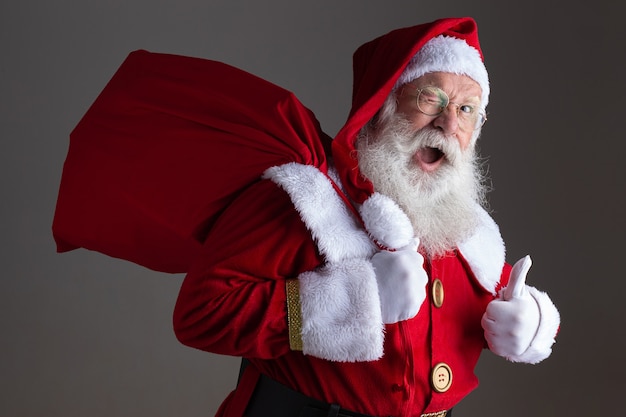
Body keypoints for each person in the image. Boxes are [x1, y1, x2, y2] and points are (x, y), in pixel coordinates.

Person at [171, 16, 560, 417]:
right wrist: (356, 301)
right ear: (383, 107)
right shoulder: (307, 200)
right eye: (431, 100)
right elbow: (202, 313)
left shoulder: (466, 230)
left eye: (466, 110)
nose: (448, 125)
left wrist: (531, 322)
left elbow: (504, 298)